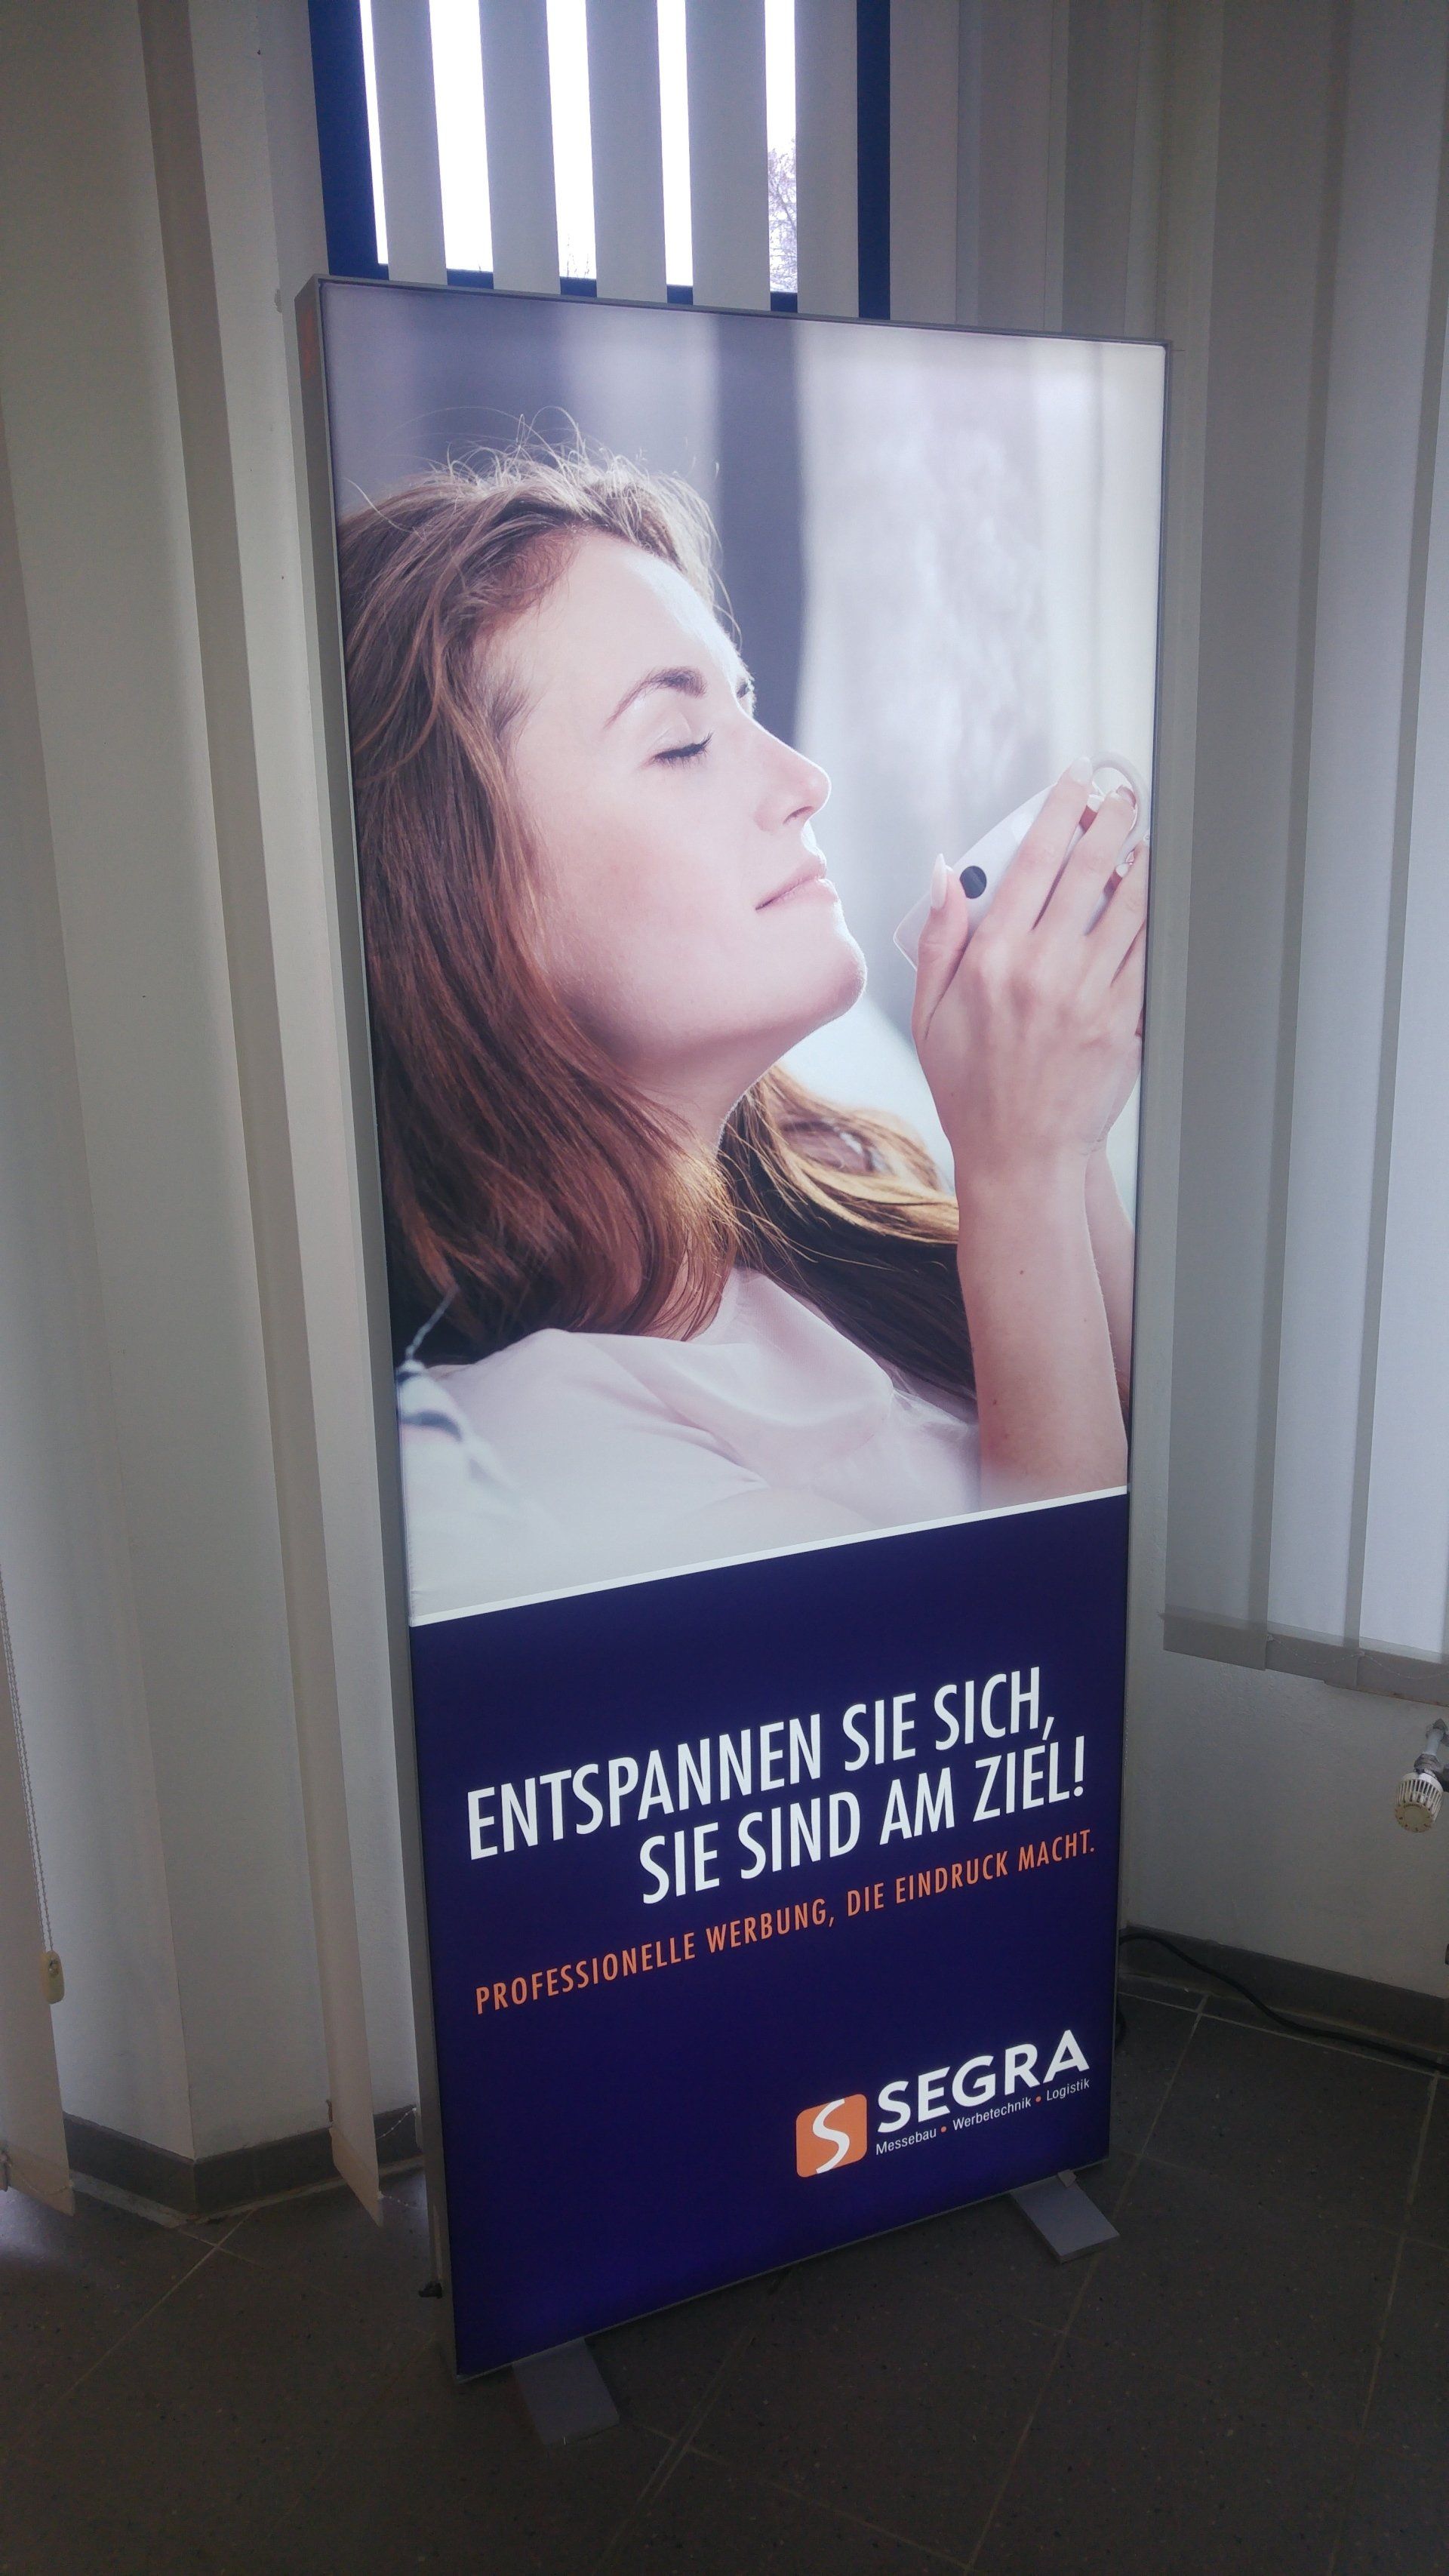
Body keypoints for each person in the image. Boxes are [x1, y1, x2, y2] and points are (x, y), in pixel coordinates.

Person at [337, 450, 1147, 1619]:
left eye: (747, 706)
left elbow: (1165, 1488)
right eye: (680, 742)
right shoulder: (542, 1441)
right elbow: (1035, 1676)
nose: (807, 780)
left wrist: (1062, 1137)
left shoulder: (841, 1200)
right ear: (461, 901)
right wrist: (1018, 1168)